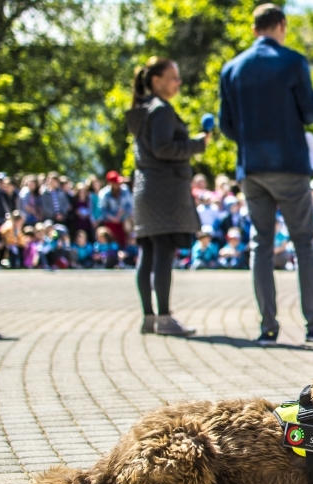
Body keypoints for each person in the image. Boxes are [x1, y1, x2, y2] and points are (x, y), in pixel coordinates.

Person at [220, 4, 313, 345]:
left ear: (255, 29)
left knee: (261, 244)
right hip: (288, 164)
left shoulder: (232, 68)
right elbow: (312, 113)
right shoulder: (293, 61)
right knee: (304, 243)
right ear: (281, 26)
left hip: (251, 167)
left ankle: (267, 326)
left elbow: (227, 126)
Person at [126, 56, 208, 336]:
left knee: (147, 252)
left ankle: (149, 317)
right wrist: (196, 144)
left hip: (145, 187)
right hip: (164, 189)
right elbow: (163, 148)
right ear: (156, 80)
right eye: (173, 77)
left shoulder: (143, 108)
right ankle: (164, 317)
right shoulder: (161, 109)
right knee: (162, 253)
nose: (178, 82)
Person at [99, 171, 133, 249]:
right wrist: (113, 218)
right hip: (110, 222)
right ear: (111, 183)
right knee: (113, 241)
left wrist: (123, 211)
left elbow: (130, 204)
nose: (118, 184)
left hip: (124, 221)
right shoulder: (104, 193)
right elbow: (102, 209)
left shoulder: (125, 189)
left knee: (125, 241)